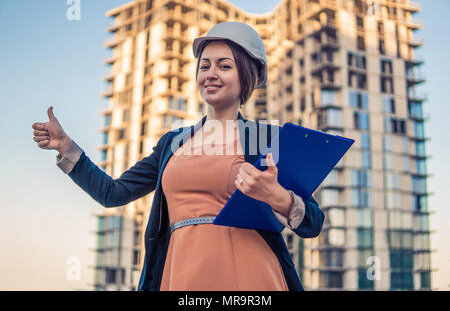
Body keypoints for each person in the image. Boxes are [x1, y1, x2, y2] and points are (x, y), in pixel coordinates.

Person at [32, 21, 324, 291]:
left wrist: (277, 196)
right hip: (180, 271)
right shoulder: (173, 143)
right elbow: (113, 193)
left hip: (251, 274)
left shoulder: (266, 139)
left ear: (246, 76)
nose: (210, 73)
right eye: (204, 65)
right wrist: (66, 148)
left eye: (224, 66)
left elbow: (312, 222)